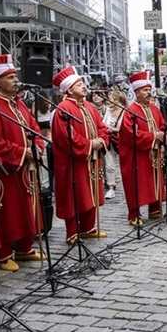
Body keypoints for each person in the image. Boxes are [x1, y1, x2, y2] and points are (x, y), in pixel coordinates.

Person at [0, 55, 46, 269]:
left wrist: (37, 147)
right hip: (8, 171)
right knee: (8, 212)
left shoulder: (19, 105)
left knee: (29, 207)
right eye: (10, 77)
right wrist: (20, 152)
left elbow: (34, 127)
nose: (16, 80)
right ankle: (4, 254)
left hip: (27, 166)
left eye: (16, 76)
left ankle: (25, 248)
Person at [51, 66, 110, 244]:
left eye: (83, 84)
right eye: (79, 84)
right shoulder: (63, 108)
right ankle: (72, 232)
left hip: (91, 160)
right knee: (75, 194)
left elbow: (102, 127)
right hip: (74, 162)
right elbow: (65, 137)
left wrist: (102, 139)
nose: (84, 87)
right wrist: (91, 144)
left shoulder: (89, 107)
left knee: (90, 193)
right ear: (69, 89)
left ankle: (88, 227)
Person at [118, 72, 167, 225]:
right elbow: (129, 133)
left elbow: (162, 125)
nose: (149, 92)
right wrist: (153, 136)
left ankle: (155, 209)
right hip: (137, 155)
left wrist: (162, 136)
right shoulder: (130, 110)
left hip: (154, 152)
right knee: (137, 182)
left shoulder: (154, 108)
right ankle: (134, 214)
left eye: (149, 89)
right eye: (145, 90)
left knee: (155, 180)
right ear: (137, 92)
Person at [101, 90, 126, 200]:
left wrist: (115, 129)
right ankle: (111, 188)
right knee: (109, 165)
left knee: (125, 164)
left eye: (111, 100)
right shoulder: (108, 111)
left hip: (122, 141)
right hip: (110, 141)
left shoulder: (125, 112)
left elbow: (127, 127)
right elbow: (103, 123)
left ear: (118, 101)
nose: (109, 102)